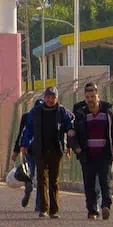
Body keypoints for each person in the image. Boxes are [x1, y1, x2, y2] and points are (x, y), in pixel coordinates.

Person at [69, 82, 113, 220]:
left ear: (98, 96)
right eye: (88, 97)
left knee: (105, 182)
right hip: (87, 155)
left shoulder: (108, 113)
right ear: (85, 98)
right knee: (89, 184)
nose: (90, 100)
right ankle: (92, 210)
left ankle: (106, 205)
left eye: (93, 96)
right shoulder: (80, 114)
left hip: (104, 154)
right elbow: (72, 133)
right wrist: (76, 148)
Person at [25, 86, 73, 218]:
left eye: (53, 97)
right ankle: (43, 208)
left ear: (56, 98)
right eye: (48, 97)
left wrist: (69, 140)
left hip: (56, 150)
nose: (50, 100)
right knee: (41, 179)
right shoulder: (36, 111)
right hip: (40, 150)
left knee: (54, 181)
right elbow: (28, 128)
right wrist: (24, 144)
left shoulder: (61, 111)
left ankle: (54, 210)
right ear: (44, 97)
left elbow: (70, 123)